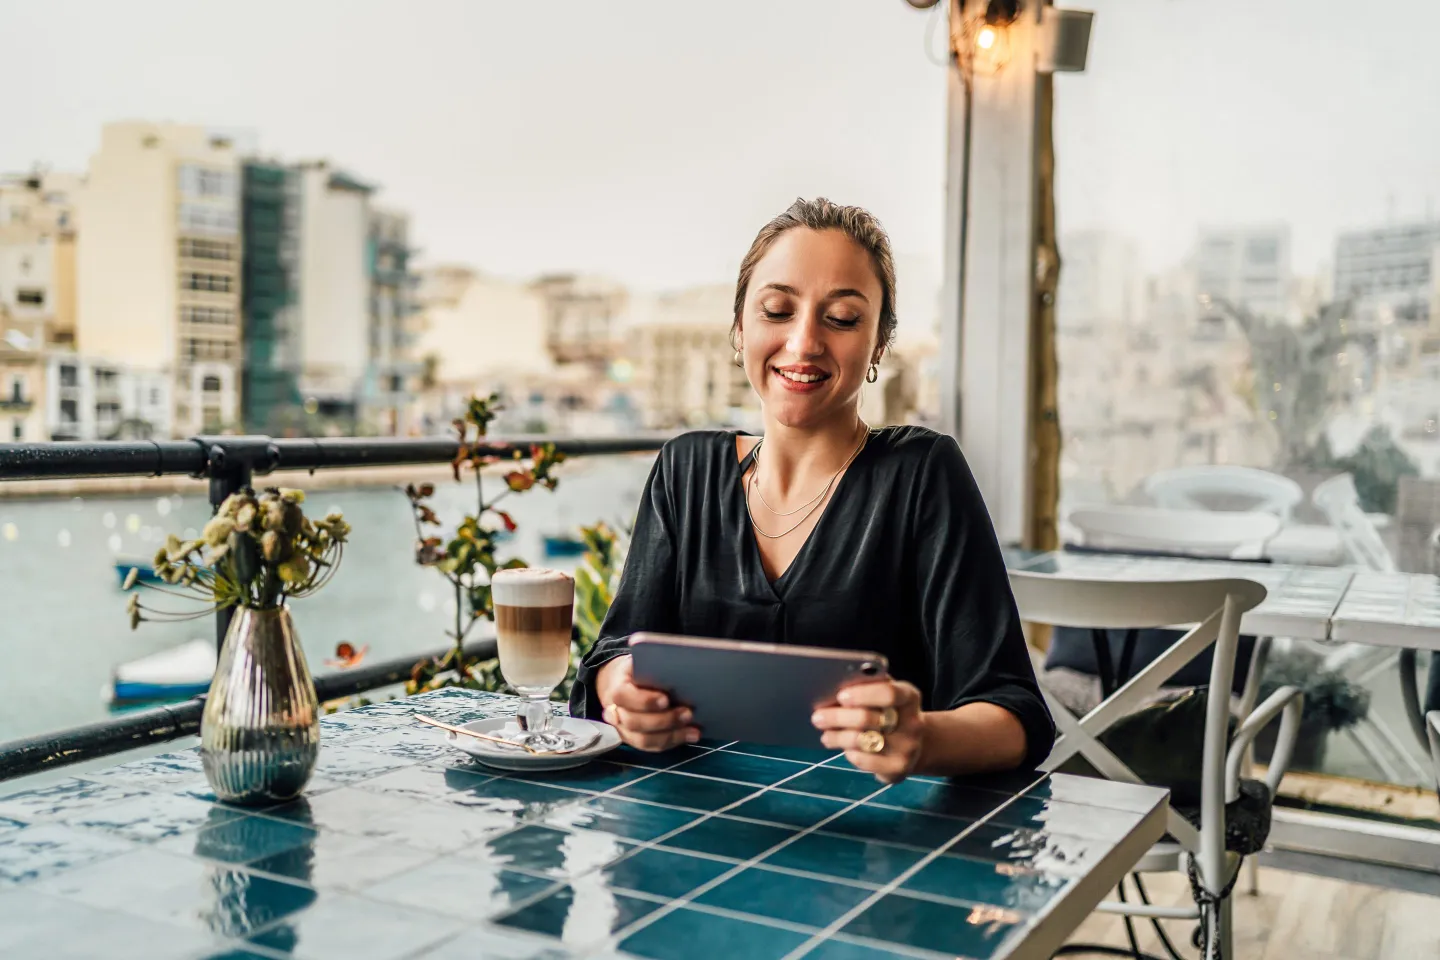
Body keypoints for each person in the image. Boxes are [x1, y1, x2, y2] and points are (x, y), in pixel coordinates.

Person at [569, 198, 1053, 784]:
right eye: (777, 309)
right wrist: (622, 693)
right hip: (695, 825)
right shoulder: (685, 469)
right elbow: (614, 653)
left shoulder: (922, 472)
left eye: (843, 319)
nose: (803, 344)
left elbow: (1015, 715)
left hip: (875, 843)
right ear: (741, 327)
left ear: (877, 346)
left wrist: (921, 737)